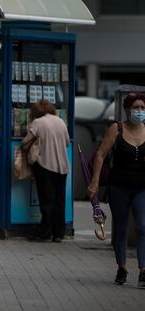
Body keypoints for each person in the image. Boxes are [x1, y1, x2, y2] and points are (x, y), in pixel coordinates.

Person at [87, 93, 145, 288]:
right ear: (127, 110)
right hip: (118, 186)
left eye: (143, 108)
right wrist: (95, 182)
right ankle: (122, 267)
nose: (140, 111)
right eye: (136, 108)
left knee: (143, 227)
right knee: (121, 228)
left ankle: (143, 270)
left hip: (141, 187)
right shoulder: (117, 129)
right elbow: (100, 155)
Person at [22, 99, 70, 243]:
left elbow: (25, 142)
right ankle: (58, 233)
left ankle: (44, 232)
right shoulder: (60, 121)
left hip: (45, 165)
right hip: (62, 166)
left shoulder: (38, 122)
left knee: (47, 200)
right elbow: (67, 142)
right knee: (59, 200)